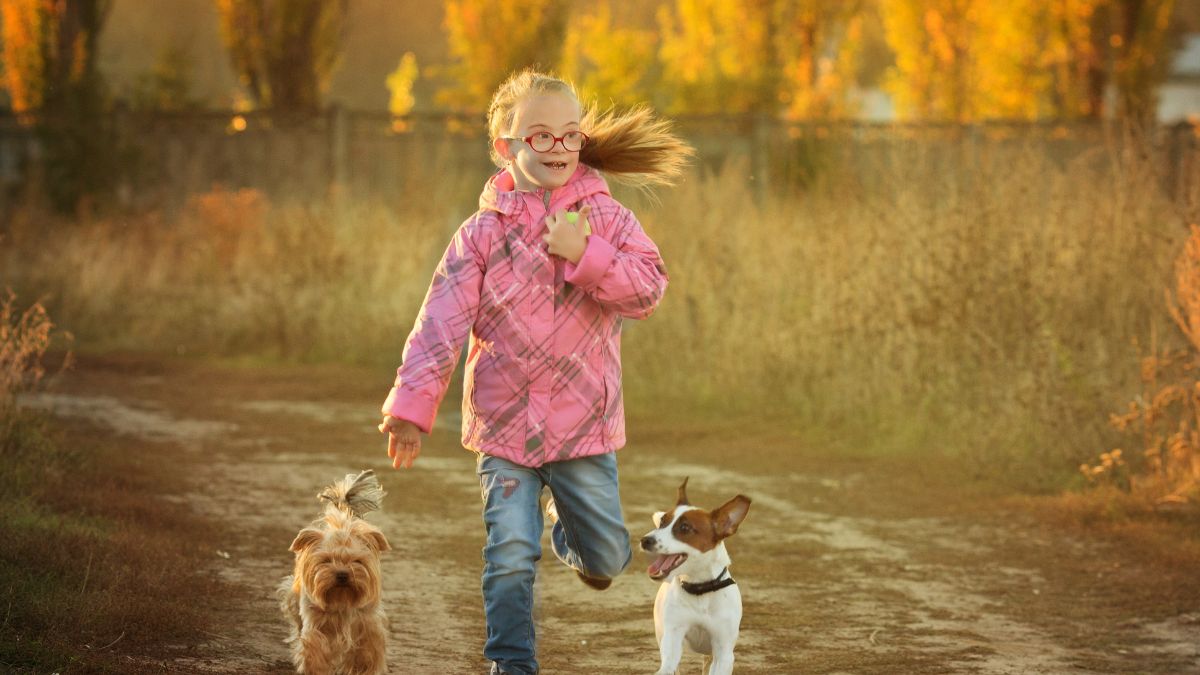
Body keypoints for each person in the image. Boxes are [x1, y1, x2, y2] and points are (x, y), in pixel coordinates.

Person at [378, 69, 693, 675]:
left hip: (583, 431)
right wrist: (410, 408)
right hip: (504, 432)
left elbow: (649, 292)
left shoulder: (609, 220)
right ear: (505, 145)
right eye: (540, 136)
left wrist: (586, 255)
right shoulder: (480, 236)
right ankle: (511, 665)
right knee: (509, 555)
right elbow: (439, 323)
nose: (558, 149)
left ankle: (567, 530)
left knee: (606, 560)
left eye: (569, 135)